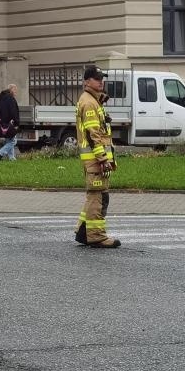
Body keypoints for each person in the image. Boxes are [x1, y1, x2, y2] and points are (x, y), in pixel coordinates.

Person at [74, 65, 119, 248]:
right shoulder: (90, 102)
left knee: (95, 196)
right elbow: (94, 135)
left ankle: (83, 233)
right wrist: (103, 159)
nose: (101, 81)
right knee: (98, 198)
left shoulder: (93, 100)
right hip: (95, 160)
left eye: (102, 78)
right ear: (86, 81)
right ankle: (97, 236)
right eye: (97, 78)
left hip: (93, 160)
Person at [0, 83, 21, 161]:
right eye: (15, 90)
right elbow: (13, 112)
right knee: (13, 141)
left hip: (2, 123)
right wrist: (16, 122)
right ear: (11, 90)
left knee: (9, 140)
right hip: (9, 123)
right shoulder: (11, 99)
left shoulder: (1, 98)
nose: (16, 92)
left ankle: (12, 158)